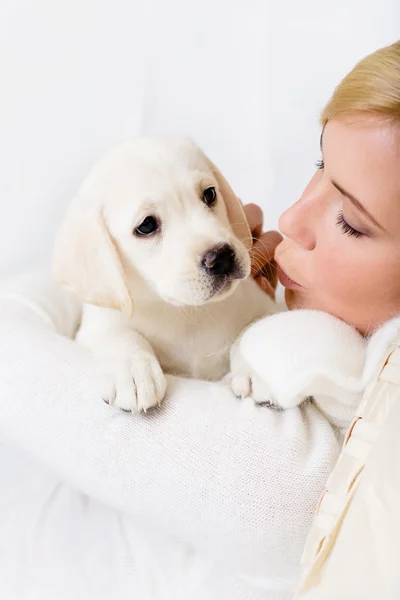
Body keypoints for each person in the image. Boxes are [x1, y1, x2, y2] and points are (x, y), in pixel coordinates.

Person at [0, 39, 399, 600]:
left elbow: (15, 351)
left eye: (352, 222)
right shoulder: (276, 291)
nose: (213, 239)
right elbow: (98, 321)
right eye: (149, 227)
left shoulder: (292, 464)